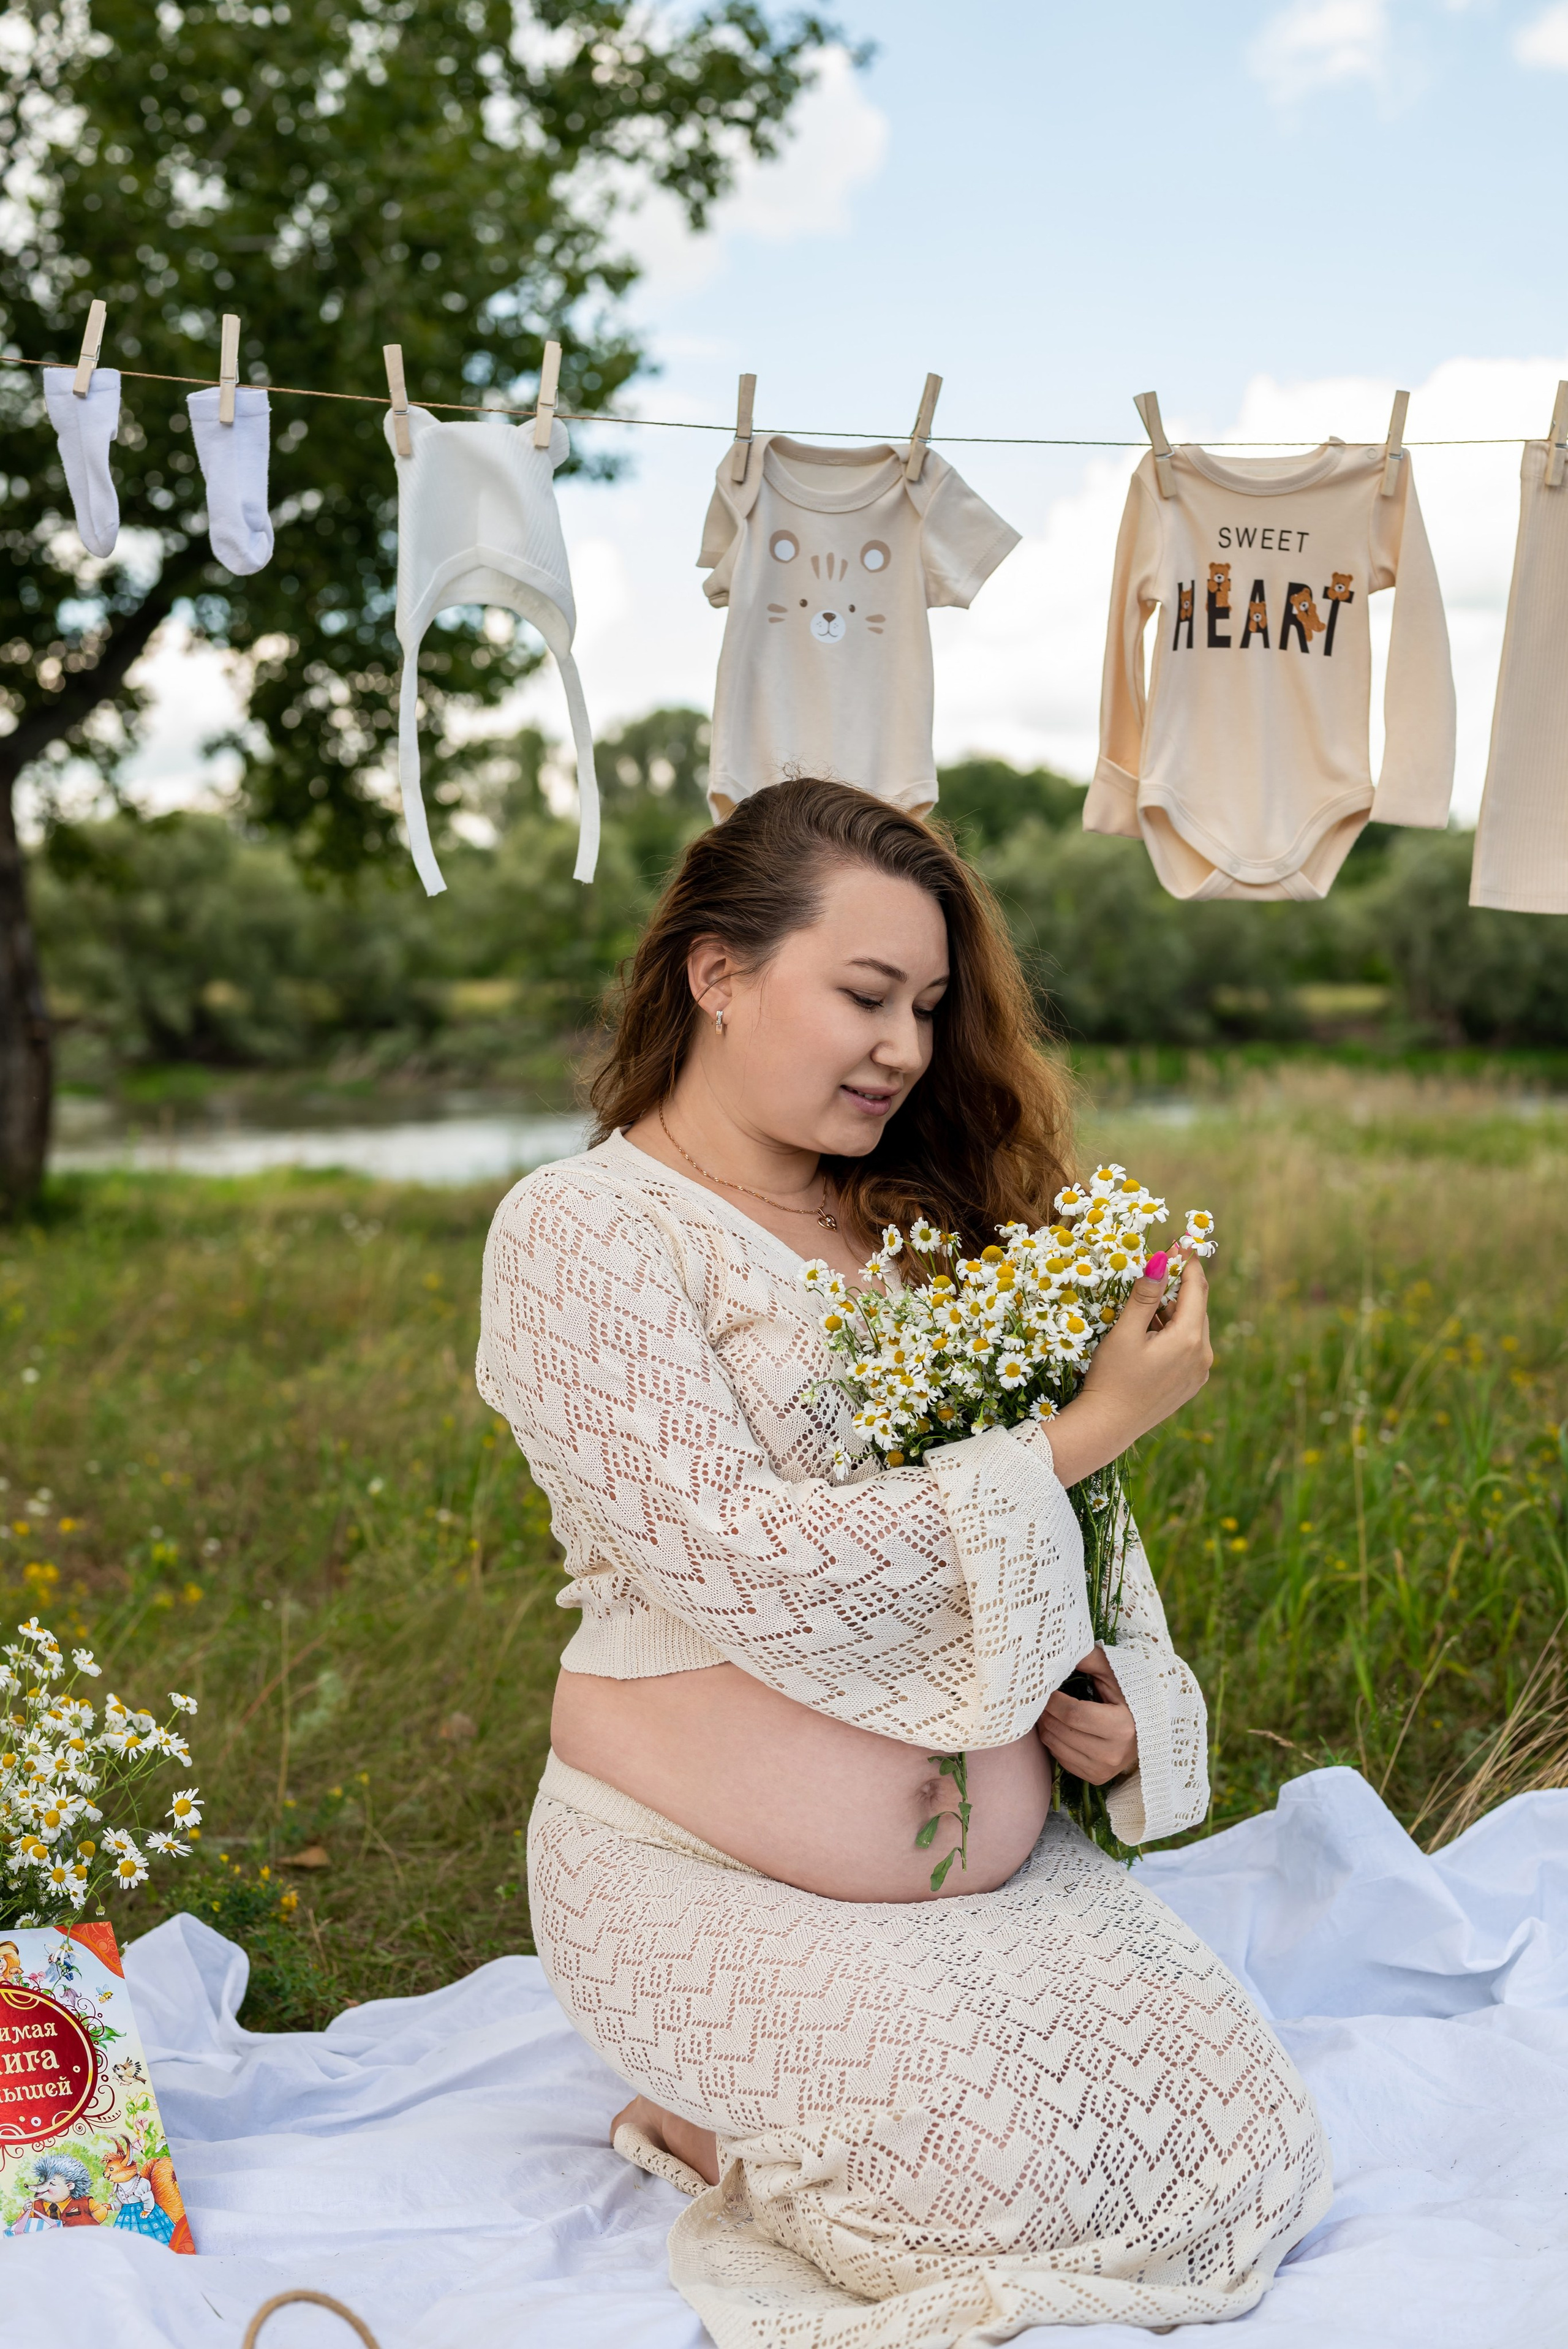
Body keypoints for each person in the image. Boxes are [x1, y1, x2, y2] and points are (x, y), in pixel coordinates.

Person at [478, 778, 1330, 2343]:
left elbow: (1086, 1551)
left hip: (977, 1880)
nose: (905, 1048)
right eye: (864, 994)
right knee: (985, 2203)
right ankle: (697, 2117)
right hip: (687, 1871)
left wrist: (1125, 1702)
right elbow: (740, 1555)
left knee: (1235, 2143)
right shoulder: (585, 1232)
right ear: (716, 974)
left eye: (930, 1007)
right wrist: (1081, 1431)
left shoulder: (918, 1229)